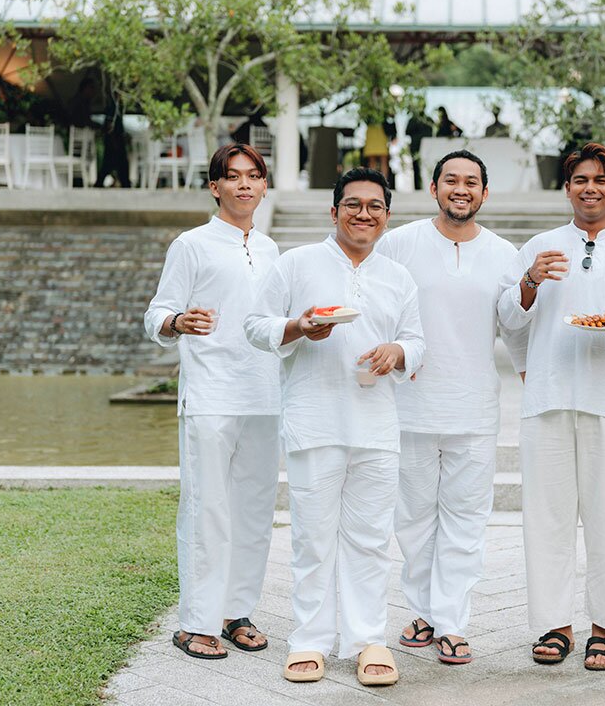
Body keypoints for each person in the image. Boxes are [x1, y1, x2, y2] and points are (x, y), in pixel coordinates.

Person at [244, 168, 425, 687]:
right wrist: (299, 327)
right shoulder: (296, 263)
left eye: (374, 206)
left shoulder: (398, 276)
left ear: (387, 216)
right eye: (353, 205)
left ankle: (368, 640)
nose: (363, 214)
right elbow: (255, 326)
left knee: (370, 539)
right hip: (314, 422)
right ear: (334, 211)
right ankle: (309, 640)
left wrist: (398, 352)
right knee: (313, 538)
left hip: (377, 426)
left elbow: (417, 341)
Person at [497, 142, 605, 672]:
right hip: (547, 398)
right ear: (567, 188)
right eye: (580, 180)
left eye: (600, 180)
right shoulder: (541, 246)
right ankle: (555, 625)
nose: (589, 188)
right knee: (546, 519)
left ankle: (604, 628)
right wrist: (530, 280)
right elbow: (508, 317)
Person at [378, 150, 527, 666]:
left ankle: (452, 622)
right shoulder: (399, 243)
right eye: (450, 180)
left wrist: (530, 377)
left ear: (484, 193)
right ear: (434, 187)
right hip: (410, 402)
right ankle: (423, 612)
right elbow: (378, 306)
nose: (460, 189)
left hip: (475, 407)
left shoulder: (505, 254)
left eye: (470, 182)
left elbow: (515, 327)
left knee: (465, 518)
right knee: (414, 518)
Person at [143, 143, 281, 662]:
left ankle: (235, 614)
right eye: (233, 176)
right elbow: (157, 313)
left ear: (264, 185)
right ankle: (196, 623)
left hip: (265, 395)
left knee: (254, 511)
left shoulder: (271, 250)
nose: (244, 184)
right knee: (207, 509)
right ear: (214, 186)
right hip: (210, 395)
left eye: (254, 176)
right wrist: (178, 321)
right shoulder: (191, 245)